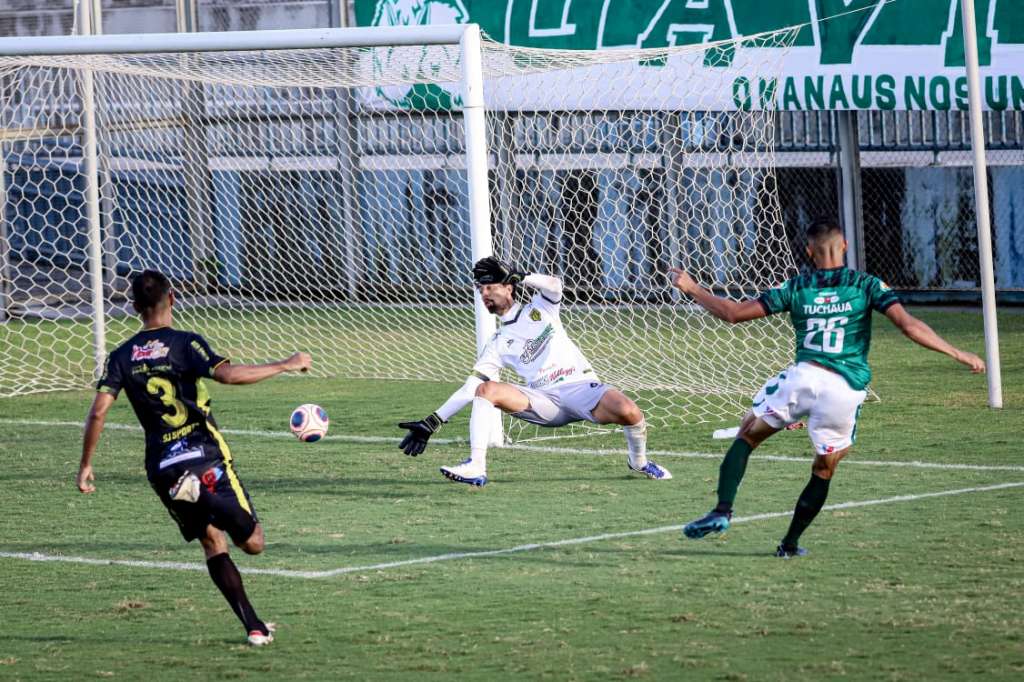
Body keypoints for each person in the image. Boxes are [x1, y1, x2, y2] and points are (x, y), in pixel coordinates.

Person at [670, 218, 985, 557]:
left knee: (747, 435)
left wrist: (693, 289)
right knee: (824, 468)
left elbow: (733, 314)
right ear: (844, 245)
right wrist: (957, 352)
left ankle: (722, 510)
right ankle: (789, 544)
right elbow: (908, 326)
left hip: (804, 378)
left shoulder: (797, 287)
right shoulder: (866, 285)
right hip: (845, 388)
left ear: (809, 251)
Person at [76, 270, 312, 644]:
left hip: (164, 468)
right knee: (253, 542)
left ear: (134, 307)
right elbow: (228, 375)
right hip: (205, 455)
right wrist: (285, 364)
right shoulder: (185, 343)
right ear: (172, 298)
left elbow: (98, 412)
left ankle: (254, 627)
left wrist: (86, 464)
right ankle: (204, 495)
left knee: (212, 544)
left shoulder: (120, 356)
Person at [397, 256, 672, 486]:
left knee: (629, 412)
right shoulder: (497, 343)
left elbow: (555, 285)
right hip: (544, 401)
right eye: (480, 290)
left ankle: (639, 462)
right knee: (485, 389)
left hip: (579, 387)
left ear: (509, 288)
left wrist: (521, 275)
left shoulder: (540, 308)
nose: (484, 294)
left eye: (490, 287)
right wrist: (433, 421)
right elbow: (471, 387)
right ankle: (476, 466)